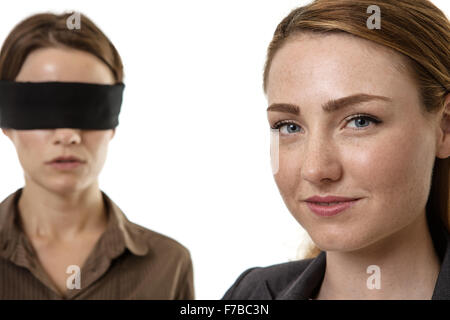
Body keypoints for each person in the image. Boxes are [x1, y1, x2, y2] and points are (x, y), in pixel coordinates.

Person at [223, 0, 449, 300]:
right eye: (289, 126)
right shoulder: (251, 296)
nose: (315, 169)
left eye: (360, 121)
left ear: (445, 127)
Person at [0, 12, 194, 299]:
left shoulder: (169, 265)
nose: (68, 134)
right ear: (7, 120)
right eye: (41, 107)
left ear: (113, 119)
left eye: (89, 108)